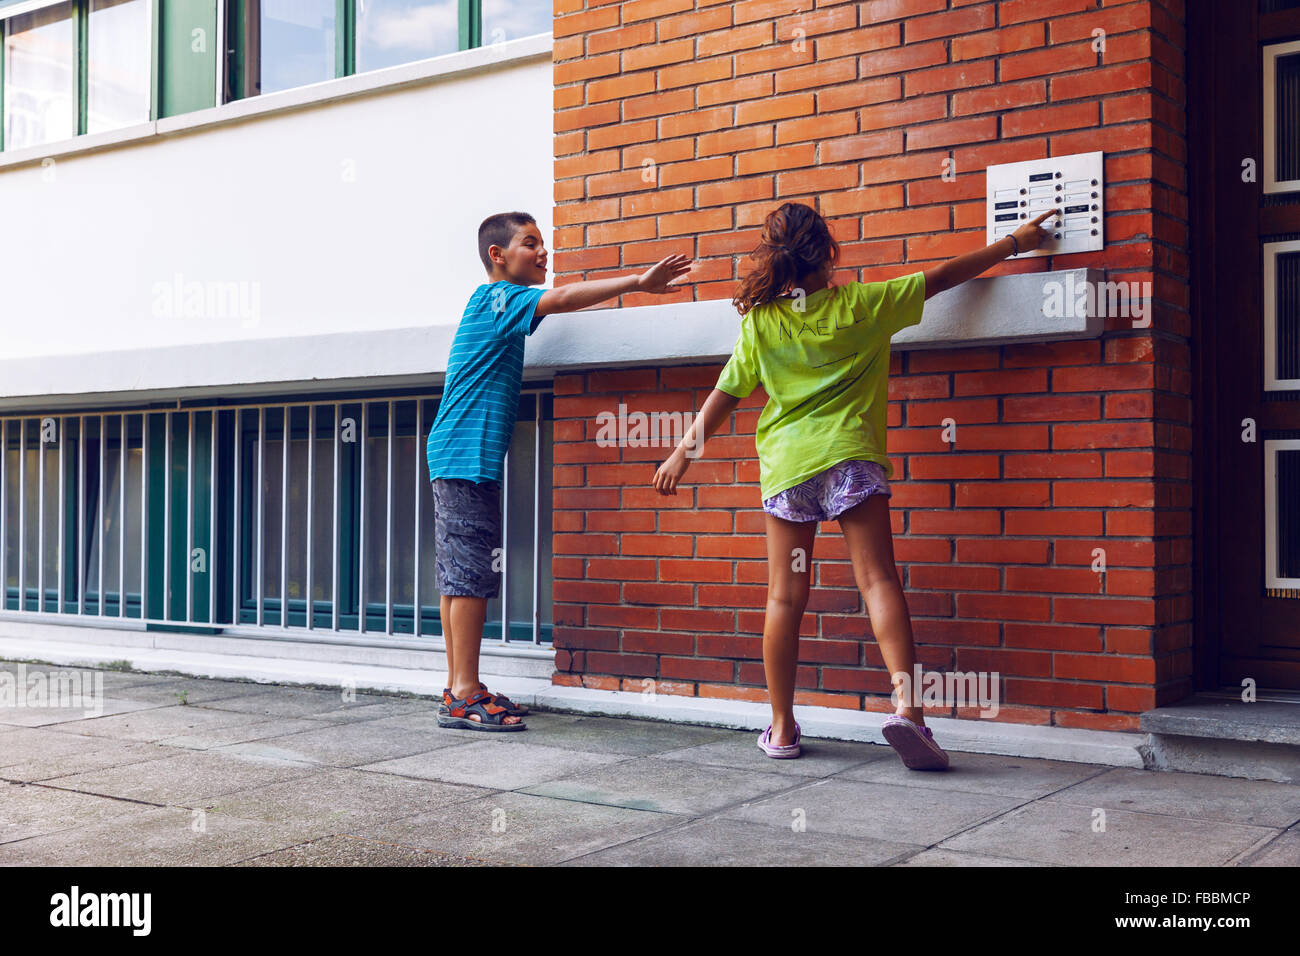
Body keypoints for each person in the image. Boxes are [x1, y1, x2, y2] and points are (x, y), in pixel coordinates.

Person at [652, 201, 1056, 767]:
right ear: (829, 254)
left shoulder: (761, 323)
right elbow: (946, 277)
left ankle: (783, 726)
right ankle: (909, 711)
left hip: (789, 469)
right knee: (878, 581)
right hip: (851, 460)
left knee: (784, 596)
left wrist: (680, 455)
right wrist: (1014, 242)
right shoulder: (867, 304)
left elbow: (725, 396)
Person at [429, 211, 690, 731]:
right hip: (464, 457)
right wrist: (639, 282)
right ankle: (462, 694)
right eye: (531, 244)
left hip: (459, 454)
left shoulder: (501, 304)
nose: (543, 253)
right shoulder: (497, 298)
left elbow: (552, 303)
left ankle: (462, 684)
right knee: (469, 578)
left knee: (459, 576)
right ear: (496, 257)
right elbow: (565, 298)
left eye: (543, 244)